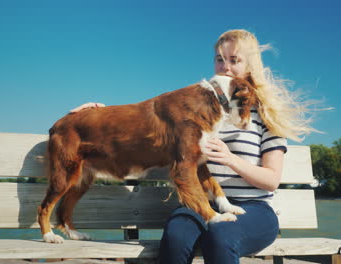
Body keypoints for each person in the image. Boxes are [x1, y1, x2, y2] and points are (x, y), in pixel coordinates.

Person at [70, 29, 315, 264]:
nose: (225, 67)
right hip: (199, 203)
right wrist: (98, 117)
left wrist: (231, 159)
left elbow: (271, 180)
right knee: (177, 237)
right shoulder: (194, 106)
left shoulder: (266, 116)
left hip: (254, 210)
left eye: (234, 60)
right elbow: (147, 117)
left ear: (250, 65)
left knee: (221, 235)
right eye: (219, 59)